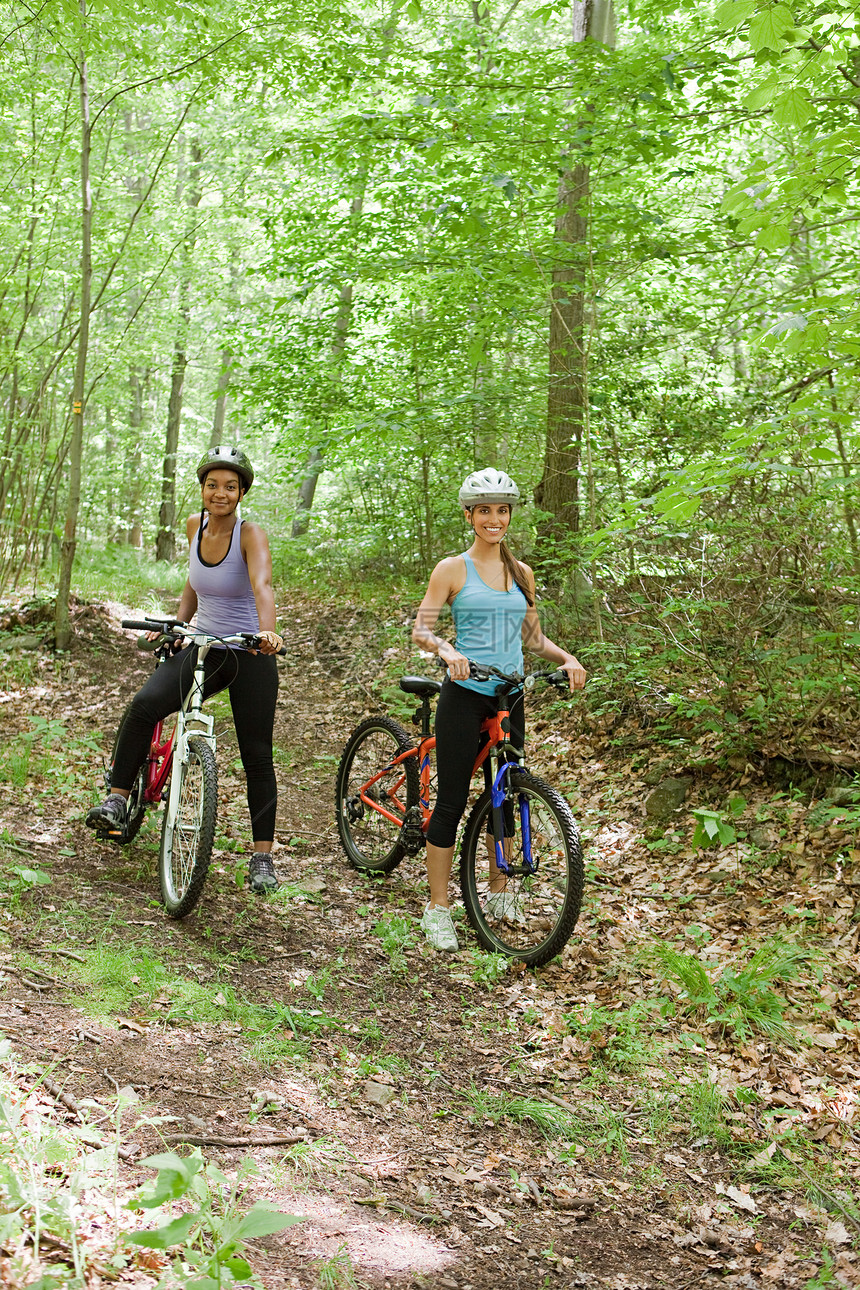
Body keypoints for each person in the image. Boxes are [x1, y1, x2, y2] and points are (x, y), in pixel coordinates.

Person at [86, 445, 284, 895]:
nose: (220, 493)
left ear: (241, 493)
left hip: (248, 651)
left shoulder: (250, 534)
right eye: (213, 485)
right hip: (204, 646)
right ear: (201, 489)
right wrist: (179, 622)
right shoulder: (194, 526)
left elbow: (263, 585)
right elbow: (194, 581)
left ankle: (262, 858)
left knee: (257, 754)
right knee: (143, 706)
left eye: (230, 487)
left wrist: (267, 634)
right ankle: (117, 801)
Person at [411, 467, 587, 951]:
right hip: (465, 695)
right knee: (451, 801)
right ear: (469, 515)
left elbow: (533, 639)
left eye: (502, 510)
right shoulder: (452, 569)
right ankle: (439, 909)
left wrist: (567, 657)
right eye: (484, 510)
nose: (494, 519)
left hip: (510, 693)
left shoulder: (521, 573)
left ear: (510, 515)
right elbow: (421, 630)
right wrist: (448, 651)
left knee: (507, 793)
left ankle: (499, 889)